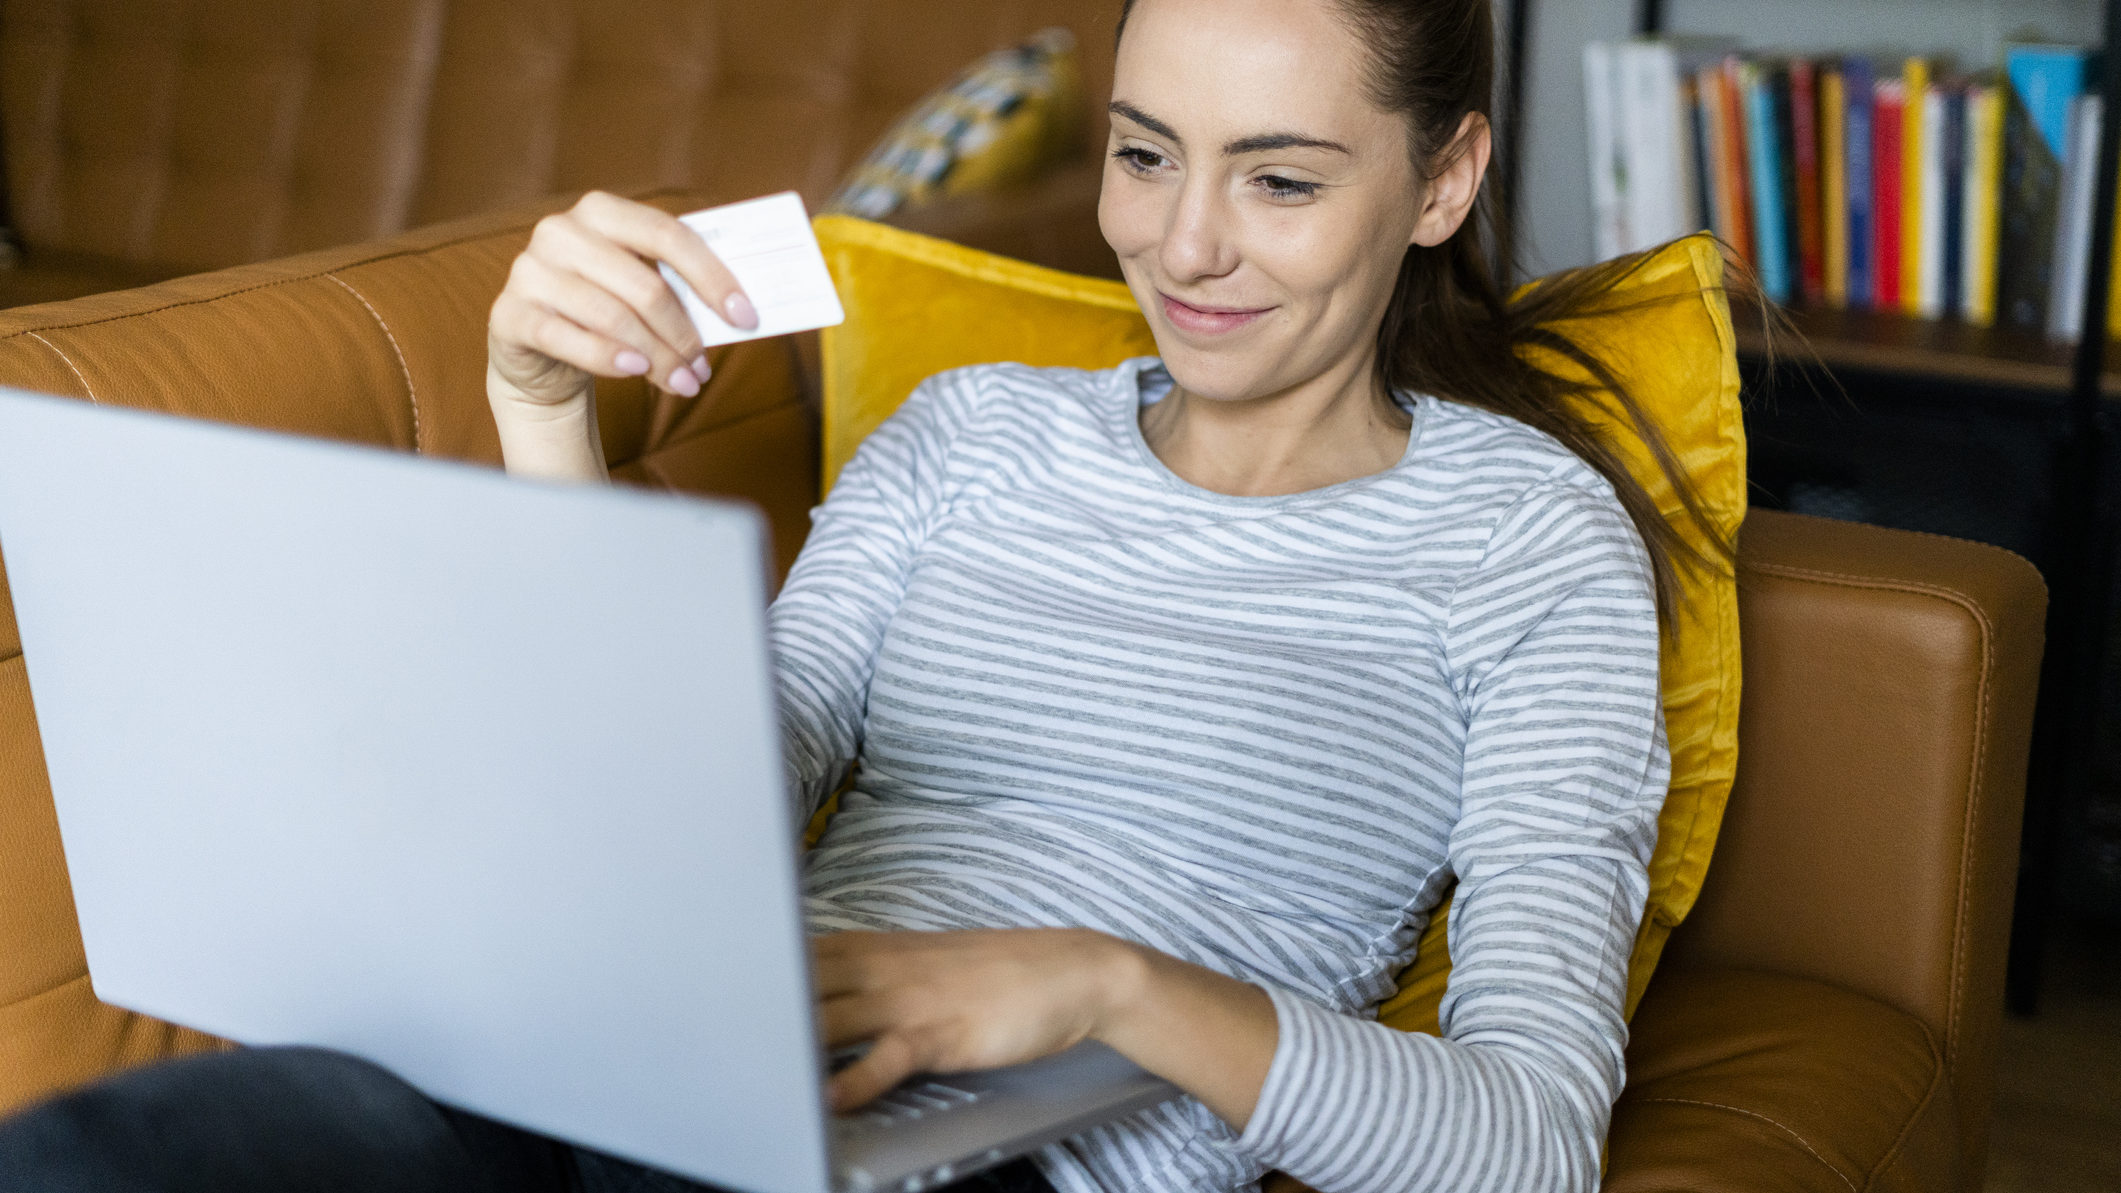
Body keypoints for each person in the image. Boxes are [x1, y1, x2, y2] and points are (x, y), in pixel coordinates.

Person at [0, 0, 1730, 1190]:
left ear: (1441, 180)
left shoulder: (1526, 546)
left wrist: (1095, 988)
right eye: (1144, 155)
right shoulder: (968, 433)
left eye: (1278, 180)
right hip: (640, 1074)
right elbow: (707, 796)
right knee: (90, 1158)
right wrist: (541, 406)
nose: (1182, 244)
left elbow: (1524, 1138)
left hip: (979, 1161)